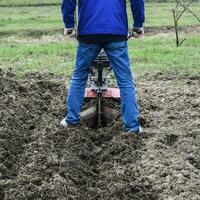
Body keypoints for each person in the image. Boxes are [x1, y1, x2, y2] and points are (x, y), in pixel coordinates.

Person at [61, 0, 145, 134]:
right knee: (125, 81)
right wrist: (138, 25)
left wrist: (69, 25)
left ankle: (72, 120)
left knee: (79, 76)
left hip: (88, 32)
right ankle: (132, 127)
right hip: (116, 32)